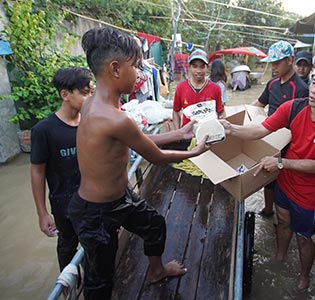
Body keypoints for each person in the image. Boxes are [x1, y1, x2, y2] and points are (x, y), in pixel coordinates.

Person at [68, 27, 210, 300]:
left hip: (120, 198)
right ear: (115, 69)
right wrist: (196, 152)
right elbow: (155, 156)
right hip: (94, 211)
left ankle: (156, 271)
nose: (141, 73)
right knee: (100, 277)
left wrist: (181, 133)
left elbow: (139, 139)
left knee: (154, 225)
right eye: (135, 66)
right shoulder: (114, 117)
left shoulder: (93, 105)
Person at [221, 62, 315, 291]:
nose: (313, 90)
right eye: (313, 83)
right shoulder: (293, 107)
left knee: (304, 237)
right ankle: (280, 256)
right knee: (283, 222)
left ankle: (304, 275)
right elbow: (260, 130)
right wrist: (230, 129)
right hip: (285, 183)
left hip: (309, 194)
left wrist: (280, 162)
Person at [31, 67, 94, 272]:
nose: (90, 97)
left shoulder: (90, 122)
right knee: (67, 246)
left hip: (93, 201)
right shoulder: (44, 130)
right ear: (65, 95)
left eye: (92, 92)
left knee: (95, 246)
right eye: (85, 93)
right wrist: (42, 214)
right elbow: (37, 172)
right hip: (63, 204)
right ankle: (68, 287)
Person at [252, 40, 309, 218]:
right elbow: (258, 105)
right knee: (267, 175)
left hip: (289, 140)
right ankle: (268, 210)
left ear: (290, 61)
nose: (273, 66)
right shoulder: (272, 84)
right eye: (272, 62)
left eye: (277, 62)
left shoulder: (301, 89)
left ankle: (284, 216)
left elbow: (304, 123)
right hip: (269, 135)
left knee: (284, 179)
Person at [173, 49, 225, 129]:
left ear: (207, 67)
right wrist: (177, 132)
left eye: (202, 66)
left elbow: (221, 111)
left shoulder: (215, 89)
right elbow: (176, 111)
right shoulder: (181, 87)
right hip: (187, 134)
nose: (198, 71)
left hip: (209, 133)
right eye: (195, 66)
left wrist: (219, 126)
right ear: (189, 67)